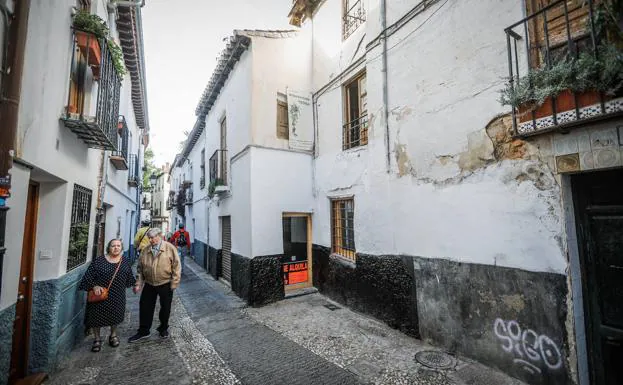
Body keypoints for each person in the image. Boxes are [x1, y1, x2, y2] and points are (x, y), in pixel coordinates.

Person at [79, 239, 136, 352]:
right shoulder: (99, 261)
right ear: (108, 248)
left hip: (117, 295)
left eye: (118, 246)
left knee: (115, 316)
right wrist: (94, 286)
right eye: (113, 246)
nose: (116, 248)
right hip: (100, 295)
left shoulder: (125, 261)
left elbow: (130, 278)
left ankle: (113, 335)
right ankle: (97, 339)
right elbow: (87, 277)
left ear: (121, 248)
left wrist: (136, 284)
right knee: (96, 317)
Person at [128, 228, 181, 342]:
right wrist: (138, 284)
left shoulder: (169, 248)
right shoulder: (145, 250)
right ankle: (144, 331)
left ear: (160, 236)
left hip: (165, 283)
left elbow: (177, 266)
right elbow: (140, 269)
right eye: (149, 238)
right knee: (145, 306)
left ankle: (163, 329)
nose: (151, 240)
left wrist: (174, 283)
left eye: (153, 237)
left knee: (165, 308)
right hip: (150, 283)